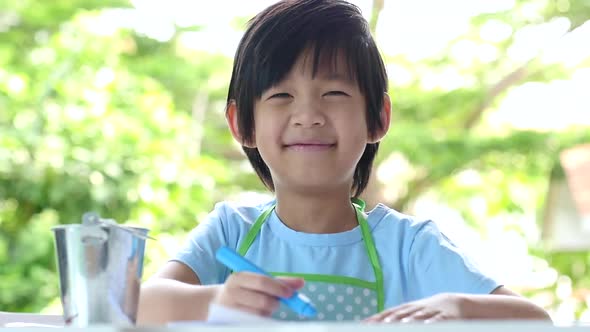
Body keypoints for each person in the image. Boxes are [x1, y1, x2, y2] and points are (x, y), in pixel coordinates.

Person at [137, 0, 551, 324]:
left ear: (378, 118)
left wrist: (461, 307)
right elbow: (138, 307)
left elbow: (537, 320)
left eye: (333, 94)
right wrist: (215, 299)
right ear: (241, 123)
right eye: (281, 96)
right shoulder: (230, 231)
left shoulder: (409, 245)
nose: (308, 115)